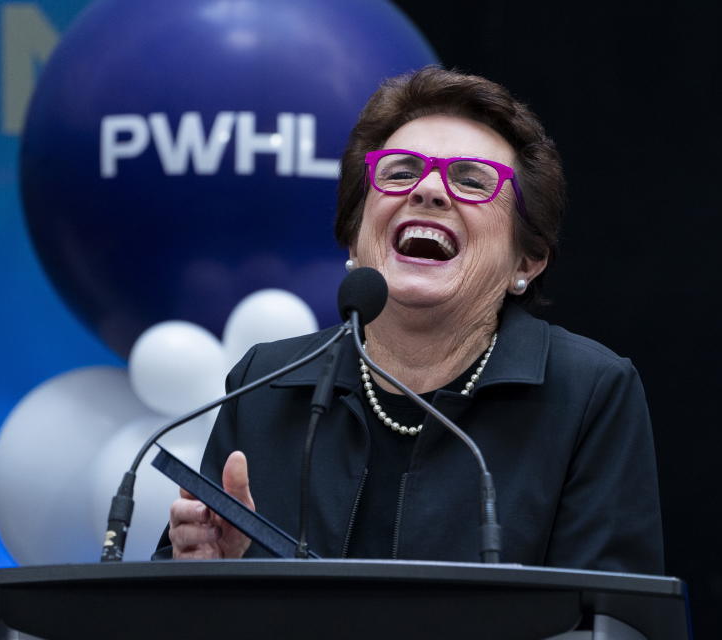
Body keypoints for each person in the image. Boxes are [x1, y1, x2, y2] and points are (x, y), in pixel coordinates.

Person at [159, 66, 664, 573]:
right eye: (400, 172)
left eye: (471, 180)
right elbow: (169, 607)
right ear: (354, 236)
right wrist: (206, 572)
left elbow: (607, 618)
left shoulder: (587, 393)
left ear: (526, 261)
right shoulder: (267, 385)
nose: (428, 190)